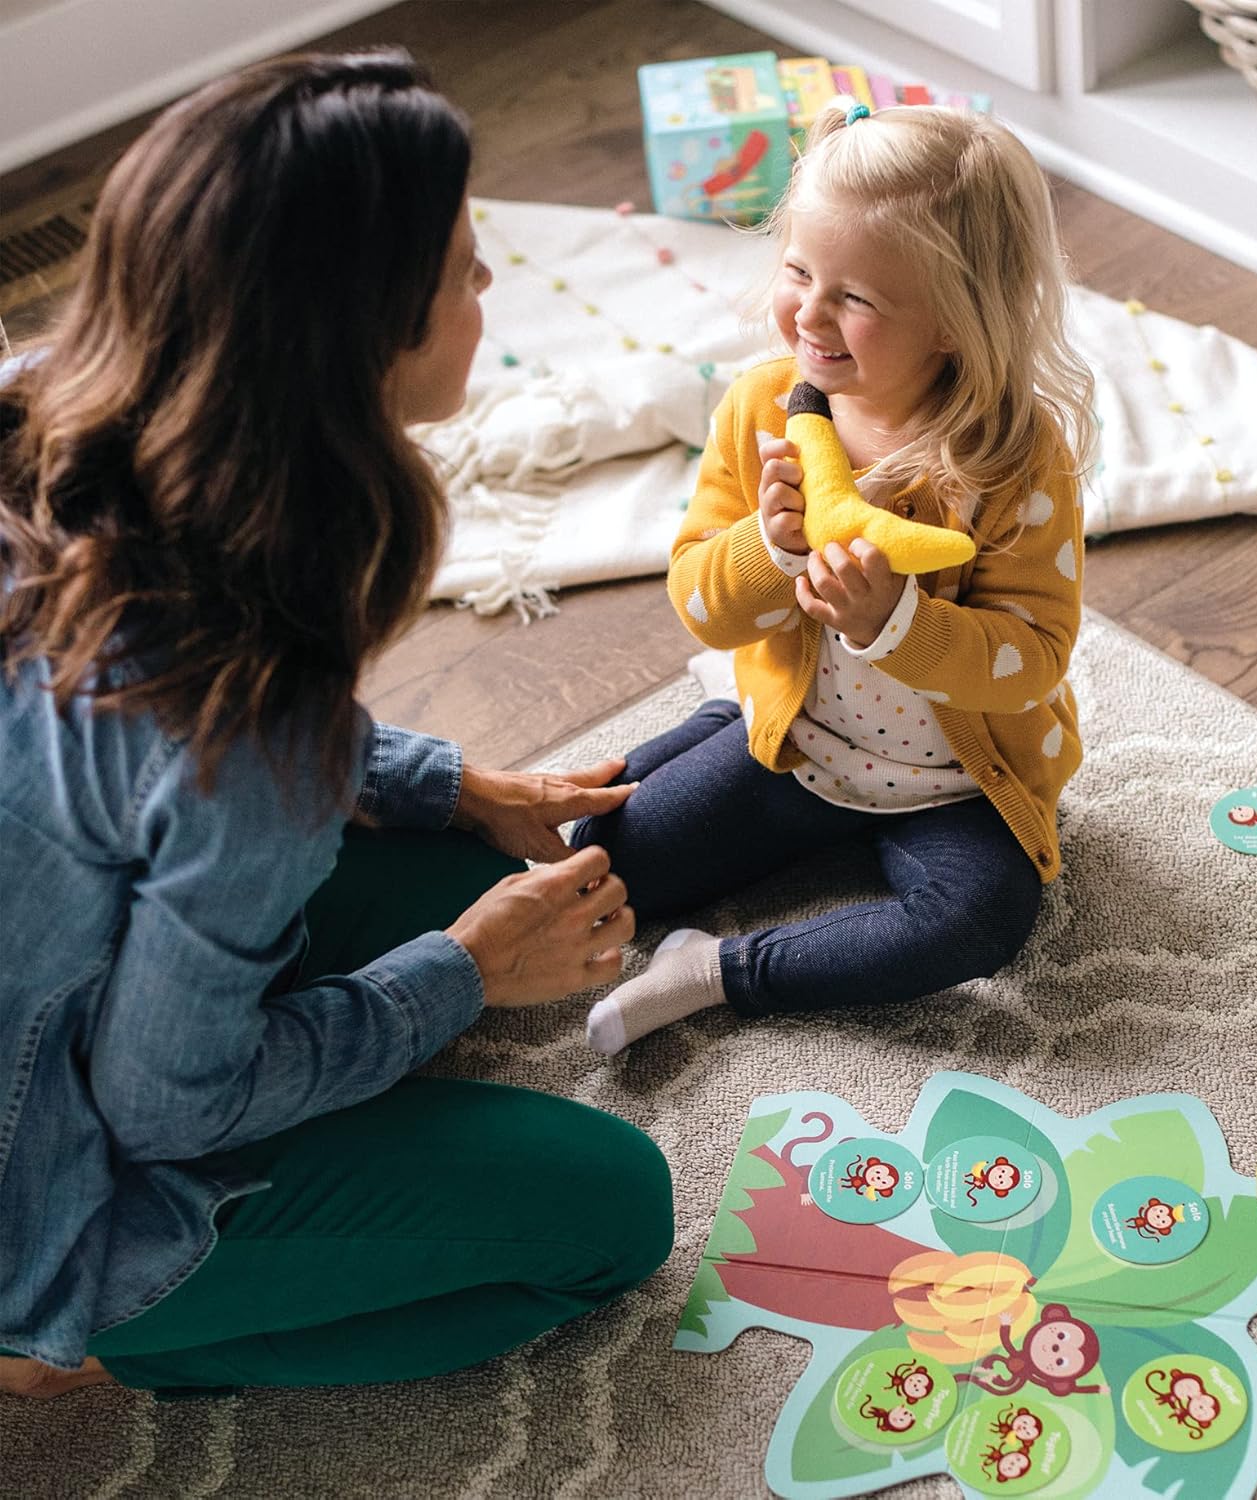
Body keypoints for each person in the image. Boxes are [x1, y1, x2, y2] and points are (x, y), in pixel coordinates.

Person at [0, 50, 671, 1399]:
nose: (491, 287)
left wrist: (441, 780)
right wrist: (461, 974)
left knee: (469, 870)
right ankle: (75, 1339)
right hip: (40, 1174)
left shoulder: (43, 401)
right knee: (617, 1213)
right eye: (465, 272)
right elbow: (164, 1104)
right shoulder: (245, 715)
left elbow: (131, 761)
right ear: (363, 339)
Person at [573, 101, 1093, 1054]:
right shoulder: (763, 408)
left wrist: (898, 623)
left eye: (855, 297)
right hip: (799, 744)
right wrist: (770, 552)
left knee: (985, 920)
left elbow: (1035, 660)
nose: (809, 315)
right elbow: (700, 604)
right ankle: (727, 712)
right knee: (600, 869)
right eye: (799, 272)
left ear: (955, 321)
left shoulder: (1014, 458)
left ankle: (718, 972)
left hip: (953, 784)